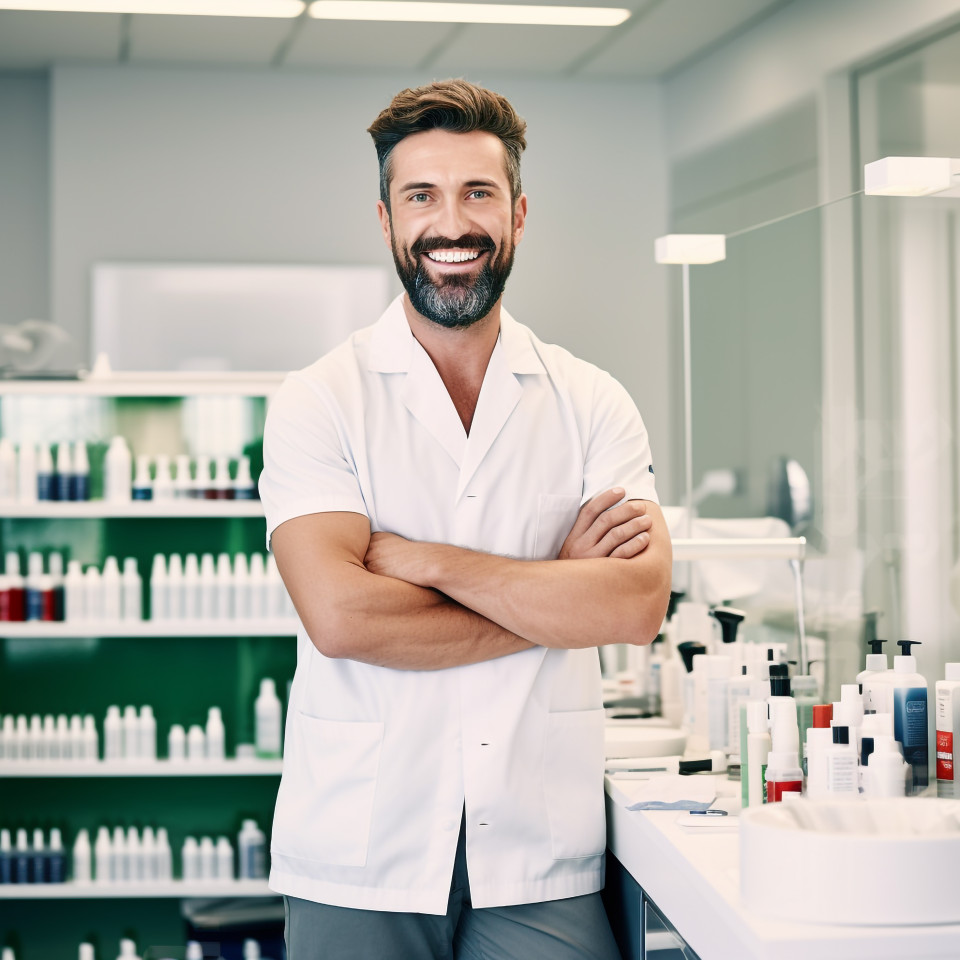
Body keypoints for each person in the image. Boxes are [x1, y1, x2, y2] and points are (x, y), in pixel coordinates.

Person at [260, 78, 672, 960]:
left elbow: (633, 608)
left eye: (478, 193)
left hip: (538, 855)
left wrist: (429, 562)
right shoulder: (318, 401)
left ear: (520, 214)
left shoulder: (592, 400)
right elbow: (341, 619)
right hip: (359, 852)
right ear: (386, 221)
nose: (453, 224)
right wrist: (554, 587)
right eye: (423, 196)